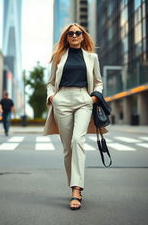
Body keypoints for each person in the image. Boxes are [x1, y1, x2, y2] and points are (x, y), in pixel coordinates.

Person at [43, 23, 108, 210]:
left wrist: (94, 97)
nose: (74, 35)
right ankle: (74, 184)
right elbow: (50, 82)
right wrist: (52, 97)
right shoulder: (58, 57)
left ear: (82, 36)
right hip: (62, 99)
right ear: (66, 37)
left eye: (77, 33)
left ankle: (76, 190)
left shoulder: (92, 57)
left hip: (83, 100)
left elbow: (98, 82)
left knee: (77, 140)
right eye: (70, 33)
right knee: (67, 148)